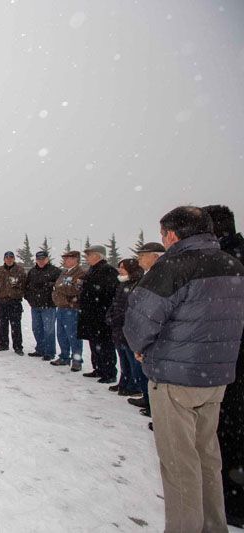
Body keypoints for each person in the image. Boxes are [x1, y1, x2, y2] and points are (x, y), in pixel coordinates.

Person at [124, 206, 244, 532]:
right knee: (207, 455)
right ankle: (212, 524)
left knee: (179, 462)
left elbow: (139, 322)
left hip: (176, 378)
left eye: (163, 235)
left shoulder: (175, 266)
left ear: (173, 234)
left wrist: (142, 348)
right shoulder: (232, 264)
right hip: (216, 376)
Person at [204, 204, 244, 527]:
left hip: (230, 365)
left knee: (230, 433)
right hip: (226, 361)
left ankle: (234, 500)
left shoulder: (226, 264)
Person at [126, 242, 166, 417]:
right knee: (145, 372)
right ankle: (148, 400)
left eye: (143, 255)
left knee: (157, 376)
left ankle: (156, 409)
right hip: (144, 332)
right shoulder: (149, 275)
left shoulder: (162, 276)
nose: (139, 259)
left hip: (156, 335)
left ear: (155, 257)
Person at [77, 245, 118, 384]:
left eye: (89, 255)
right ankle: (98, 368)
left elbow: (108, 292)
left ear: (97, 256)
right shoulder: (92, 270)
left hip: (101, 315)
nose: (87, 258)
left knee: (105, 344)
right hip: (91, 314)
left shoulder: (108, 270)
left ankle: (109, 372)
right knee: (94, 344)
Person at [105, 259, 145, 397]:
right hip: (118, 327)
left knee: (132, 358)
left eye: (123, 267)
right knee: (123, 357)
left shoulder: (137, 283)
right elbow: (116, 302)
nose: (120, 270)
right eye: (119, 267)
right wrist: (110, 315)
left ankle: (135, 385)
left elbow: (130, 307)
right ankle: (124, 381)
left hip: (128, 326)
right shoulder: (123, 283)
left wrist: (117, 318)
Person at [51, 250, 86, 371]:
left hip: (71, 308)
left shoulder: (80, 273)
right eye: (64, 258)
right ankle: (64, 356)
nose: (65, 261)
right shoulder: (64, 272)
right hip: (61, 307)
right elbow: (59, 286)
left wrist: (61, 288)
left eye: (67, 258)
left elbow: (75, 289)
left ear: (75, 259)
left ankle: (77, 360)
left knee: (73, 335)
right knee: (61, 335)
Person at [24, 251, 61, 360]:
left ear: (47, 259)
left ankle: (49, 352)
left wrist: (50, 286)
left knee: (48, 329)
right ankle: (40, 349)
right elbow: (26, 287)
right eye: (38, 259)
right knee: (36, 328)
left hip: (49, 306)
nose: (41, 261)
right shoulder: (32, 272)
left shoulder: (55, 271)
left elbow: (60, 286)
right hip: (35, 306)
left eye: (43, 259)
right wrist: (29, 298)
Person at [0, 251, 26, 355]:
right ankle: (3, 344)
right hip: (2, 301)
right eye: (7, 257)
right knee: (3, 323)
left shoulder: (19, 270)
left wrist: (16, 293)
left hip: (14, 302)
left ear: (13, 259)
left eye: (11, 257)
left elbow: (24, 285)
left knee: (15, 324)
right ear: (4, 259)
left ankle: (18, 346)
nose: (9, 259)